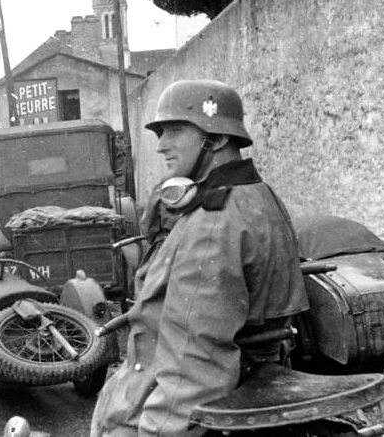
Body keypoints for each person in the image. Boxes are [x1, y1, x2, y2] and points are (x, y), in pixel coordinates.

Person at [91, 80, 309, 437]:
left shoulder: (212, 223)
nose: (161, 145)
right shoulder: (258, 195)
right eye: (161, 132)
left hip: (164, 411)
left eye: (176, 130)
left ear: (218, 138)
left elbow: (192, 369)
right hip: (249, 390)